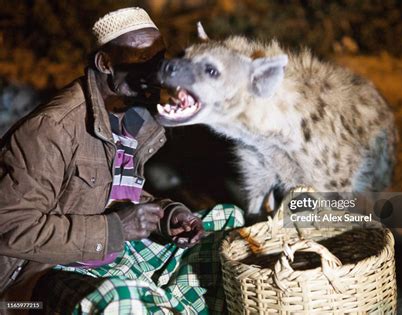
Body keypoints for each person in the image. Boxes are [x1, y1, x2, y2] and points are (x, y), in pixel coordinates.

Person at [0, 7, 244, 314]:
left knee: (228, 223)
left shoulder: (131, 114)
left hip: (110, 251)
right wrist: (116, 229)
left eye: (160, 57)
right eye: (143, 59)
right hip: (41, 275)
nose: (159, 70)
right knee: (123, 300)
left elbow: (102, 191)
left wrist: (166, 214)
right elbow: (10, 228)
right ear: (106, 63)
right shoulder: (51, 129)